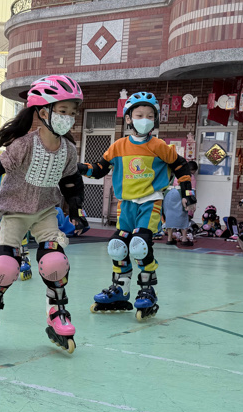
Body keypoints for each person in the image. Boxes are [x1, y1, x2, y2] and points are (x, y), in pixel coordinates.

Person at [0, 75, 88, 358]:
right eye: (62, 111)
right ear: (43, 112)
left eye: (72, 112)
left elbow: (71, 182)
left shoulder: (68, 149)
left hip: (45, 212)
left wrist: (77, 211)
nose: (68, 118)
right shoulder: (25, 144)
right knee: (5, 265)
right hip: (14, 212)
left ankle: (56, 312)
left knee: (55, 261)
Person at [79, 91, 196, 317]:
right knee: (117, 246)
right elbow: (99, 169)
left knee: (140, 244)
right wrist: (78, 168)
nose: (145, 120)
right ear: (129, 118)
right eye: (140, 115)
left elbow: (181, 165)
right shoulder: (118, 146)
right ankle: (120, 289)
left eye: (150, 116)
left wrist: (187, 193)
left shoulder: (159, 145)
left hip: (150, 201)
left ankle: (147, 290)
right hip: (126, 204)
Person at [162, 160, 198, 247]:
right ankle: (184, 239)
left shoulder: (176, 173)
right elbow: (191, 190)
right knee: (183, 215)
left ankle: (170, 239)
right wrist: (193, 203)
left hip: (168, 193)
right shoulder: (190, 176)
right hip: (180, 194)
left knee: (169, 215)